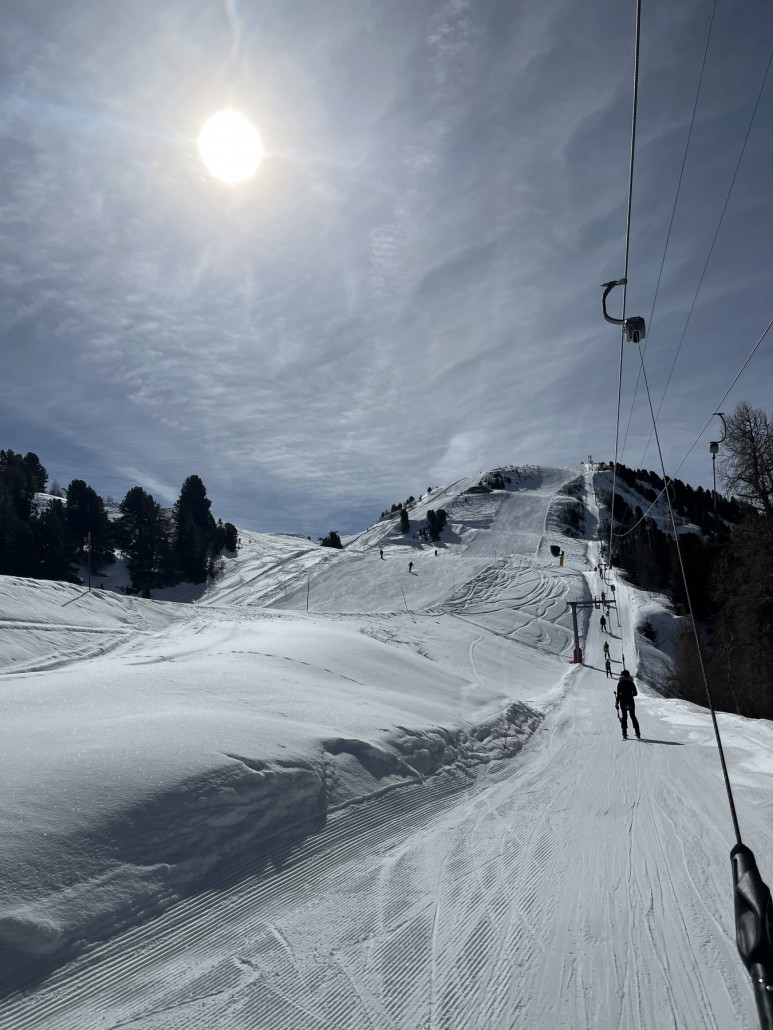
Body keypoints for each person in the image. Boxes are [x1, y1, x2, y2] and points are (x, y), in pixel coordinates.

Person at [615, 669, 641, 740]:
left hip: (622, 701)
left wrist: (617, 703)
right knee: (633, 716)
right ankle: (637, 733)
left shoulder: (620, 683)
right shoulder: (631, 683)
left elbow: (618, 695)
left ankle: (624, 733)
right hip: (630, 701)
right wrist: (630, 694)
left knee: (624, 717)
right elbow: (635, 693)